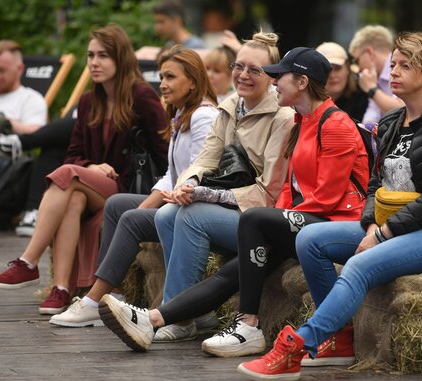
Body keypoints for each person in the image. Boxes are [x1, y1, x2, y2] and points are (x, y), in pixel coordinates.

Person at [236, 31, 422, 381]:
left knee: (359, 265)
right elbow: (374, 185)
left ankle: (300, 344)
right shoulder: (392, 122)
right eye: (393, 64)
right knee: (310, 239)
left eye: (405, 66)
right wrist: (371, 225)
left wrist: (382, 234)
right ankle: (339, 338)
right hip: (392, 224)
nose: (393, 71)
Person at [98, 46, 370, 357]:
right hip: (309, 218)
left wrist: (277, 220)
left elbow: (327, 198)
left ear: (302, 82)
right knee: (233, 270)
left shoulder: (335, 124)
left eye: (279, 76)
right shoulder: (302, 120)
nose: (274, 82)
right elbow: (289, 187)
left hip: (336, 220)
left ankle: (248, 324)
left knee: (255, 220)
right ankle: (153, 320)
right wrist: (279, 217)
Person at [97, 30, 294, 344]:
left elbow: (269, 192)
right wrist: (188, 183)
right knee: (166, 214)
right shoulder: (230, 105)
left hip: (259, 218)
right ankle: (193, 312)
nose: (243, 75)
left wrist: (207, 194)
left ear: (272, 77)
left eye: (254, 70)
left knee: (192, 215)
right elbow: (205, 159)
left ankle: (176, 315)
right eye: (238, 66)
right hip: (229, 207)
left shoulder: (283, 117)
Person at [0, 25, 168, 316]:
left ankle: (29, 261)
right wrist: (91, 167)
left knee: (67, 175)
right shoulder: (88, 101)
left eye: (103, 56)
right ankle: (61, 289)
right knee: (73, 197)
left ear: (121, 58)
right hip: (92, 186)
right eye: (90, 55)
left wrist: (160, 196)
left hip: (130, 188)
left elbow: (164, 152)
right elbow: (73, 153)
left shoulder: (142, 97)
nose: (94, 62)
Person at [49, 46, 219, 327]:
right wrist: (147, 204)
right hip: (177, 198)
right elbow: (171, 174)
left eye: (170, 77)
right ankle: (111, 294)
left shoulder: (203, 117)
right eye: (161, 77)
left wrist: (144, 209)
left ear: (192, 81)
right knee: (116, 204)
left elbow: (197, 175)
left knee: (131, 218)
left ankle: (93, 301)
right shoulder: (182, 113)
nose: (162, 84)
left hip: (193, 206)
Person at [348, 25, 404, 125]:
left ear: (369, 53)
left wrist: (372, 89)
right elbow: (370, 118)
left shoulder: (401, 68)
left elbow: (402, 110)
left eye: (357, 61)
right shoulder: (375, 77)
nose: (358, 68)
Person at [316, 42, 368, 121]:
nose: (332, 75)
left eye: (337, 68)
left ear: (347, 68)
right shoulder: (306, 103)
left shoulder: (363, 96)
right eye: (326, 70)